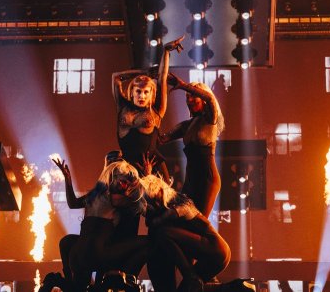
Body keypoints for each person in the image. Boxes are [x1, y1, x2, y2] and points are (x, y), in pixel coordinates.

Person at [51, 155, 148, 292]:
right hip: (97, 255)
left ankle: (72, 284)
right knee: (147, 242)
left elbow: (72, 203)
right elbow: (141, 200)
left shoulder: (95, 194)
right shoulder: (116, 198)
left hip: (77, 257)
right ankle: (126, 277)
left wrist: (68, 181)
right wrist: (147, 176)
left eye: (126, 181)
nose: (124, 184)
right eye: (122, 180)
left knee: (66, 241)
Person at [139, 170, 230, 292]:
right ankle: (236, 287)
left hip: (215, 249)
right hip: (213, 256)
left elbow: (159, 221)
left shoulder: (179, 204)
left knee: (162, 232)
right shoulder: (167, 205)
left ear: (161, 191)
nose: (155, 204)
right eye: (151, 202)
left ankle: (190, 276)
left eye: (155, 198)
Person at [112, 36, 184, 179]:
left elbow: (162, 77)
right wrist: (143, 73)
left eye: (146, 92)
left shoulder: (156, 111)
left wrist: (166, 52)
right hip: (126, 167)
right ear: (132, 92)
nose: (142, 96)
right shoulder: (122, 105)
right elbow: (116, 78)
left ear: (151, 94)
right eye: (138, 91)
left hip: (153, 168)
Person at [163, 79, 224, 216]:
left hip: (207, 179)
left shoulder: (210, 119)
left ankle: (215, 239)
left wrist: (184, 86)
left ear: (203, 99)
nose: (189, 99)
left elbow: (210, 99)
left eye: (193, 95)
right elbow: (162, 139)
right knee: (183, 221)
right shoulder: (187, 125)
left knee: (199, 222)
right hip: (190, 180)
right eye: (187, 97)